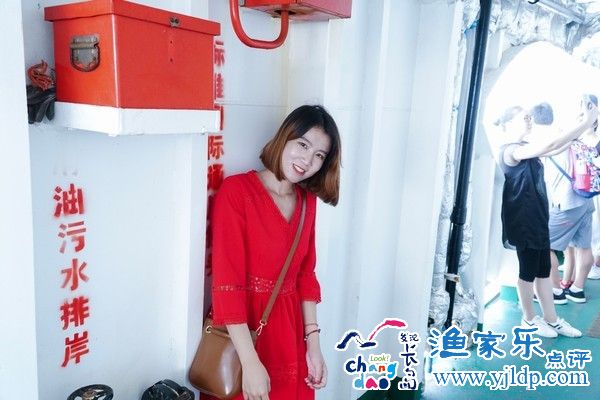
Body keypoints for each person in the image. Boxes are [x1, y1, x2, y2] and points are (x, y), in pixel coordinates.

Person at [209, 105, 341, 400]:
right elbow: (227, 285)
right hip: (247, 333)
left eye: (319, 155)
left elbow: (305, 275)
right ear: (285, 137)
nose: (307, 160)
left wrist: (313, 345)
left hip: (291, 333)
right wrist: (249, 362)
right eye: (303, 145)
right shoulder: (237, 192)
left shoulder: (307, 202)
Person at [496, 99, 596, 338]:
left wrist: (582, 127)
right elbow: (552, 144)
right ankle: (529, 319)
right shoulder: (510, 151)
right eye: (524, 118)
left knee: (542, 270)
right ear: (508, 124)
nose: (529, 120)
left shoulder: (525, 146)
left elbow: (556, 146)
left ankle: (552, 319)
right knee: (527, 271)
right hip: (523, 221)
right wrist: (586, 122)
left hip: (538, 217)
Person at [544, 95, 599, 304]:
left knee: (544, 245)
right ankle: (577, 290)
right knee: (584, 247)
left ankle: (555, 291)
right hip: (587, 200)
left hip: (568, 203)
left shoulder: (567, 140)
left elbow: (551, 147)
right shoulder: (590, 142)